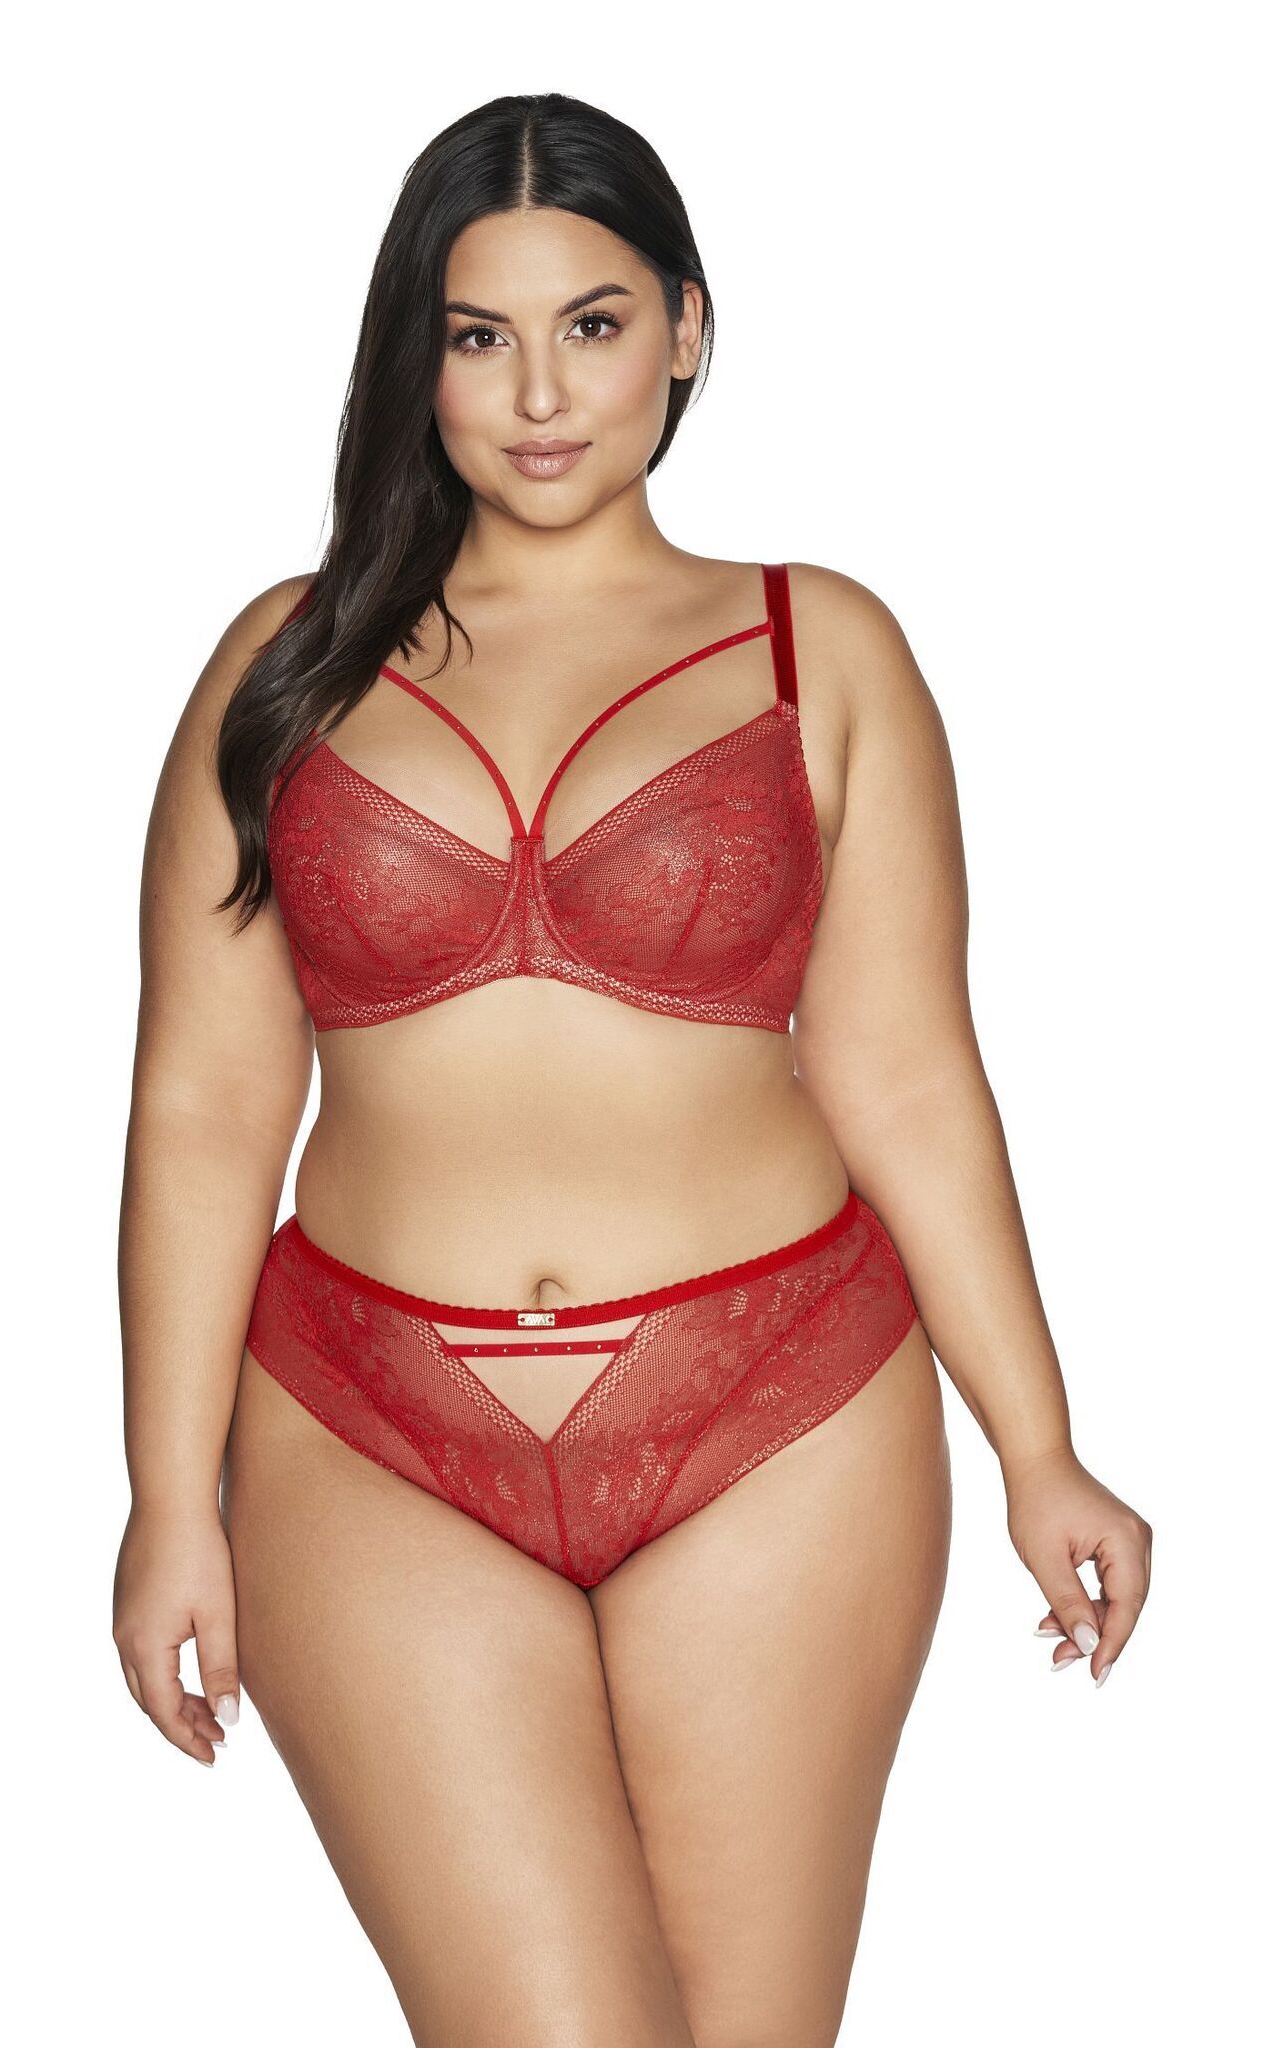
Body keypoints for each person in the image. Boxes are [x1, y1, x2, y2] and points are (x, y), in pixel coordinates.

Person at [113, 91, 1152, 2048]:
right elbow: (203, 1107)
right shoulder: (285, 666)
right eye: (476, 334)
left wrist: (1036, 1444)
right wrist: (169, 1496)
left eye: (590, 325)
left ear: (683, 327)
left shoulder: (815, 646)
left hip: (778, 1410)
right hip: (362, 1421)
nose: (537, 395)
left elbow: (905, 1076)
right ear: (413, 355)